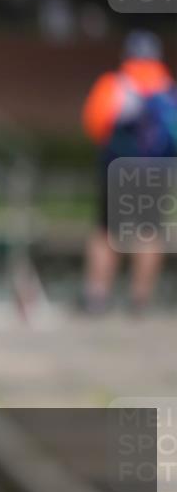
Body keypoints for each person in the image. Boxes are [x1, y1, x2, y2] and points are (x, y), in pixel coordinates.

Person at [80, 30, 177, 315]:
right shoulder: (169, 88)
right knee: (149, 231)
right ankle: (140, 299)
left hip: (117, 169)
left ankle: (98, 295)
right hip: (157, 170)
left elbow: (94, 126)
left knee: (106, 230)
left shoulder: (115, 84)